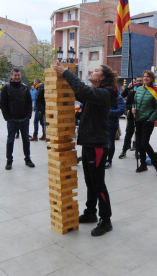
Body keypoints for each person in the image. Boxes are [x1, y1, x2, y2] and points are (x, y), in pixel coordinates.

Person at [53, 62, 117, 237]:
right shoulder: (96, 94)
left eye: (96, 71)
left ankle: (106, 220)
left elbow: (83, 90)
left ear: (102, 77)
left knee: (98, 184)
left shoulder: (105, 93)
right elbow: (80, 92)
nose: (92, 71)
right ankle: (90, 212)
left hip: (97, 145)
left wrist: (66, 72)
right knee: (90, 182)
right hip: (89, 142)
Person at [132, 70, 157, 176]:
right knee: (139, 144)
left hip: (148, 121)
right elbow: (135, 102)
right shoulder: (139, 89)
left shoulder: (156, 90)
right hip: (138, 120)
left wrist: (150, 119)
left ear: (152, 78)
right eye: (144, 76)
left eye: (148, 77)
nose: (146, 78)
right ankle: (143, 165)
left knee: (144, 143)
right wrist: (134, 108)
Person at [0, 68, 35, 170]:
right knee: (10, 140)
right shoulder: (6, 88)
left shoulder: (25, 88)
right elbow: (3, 104)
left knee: (26, 140)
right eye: (15, 75)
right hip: (12, 120)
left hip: (24, 119)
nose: (17, 77)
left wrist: (28, 115)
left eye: (18, 75)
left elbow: (29, 102)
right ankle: (9, 161)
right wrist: (7, 118)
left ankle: (27, 159)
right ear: (11, 76)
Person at [119, 76, 143, 159]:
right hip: (132, 116)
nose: (139, 82)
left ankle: (138, 151)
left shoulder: (146, 91)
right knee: (128, 134)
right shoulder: (132, 91)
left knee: (140, 135)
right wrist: (133, 107)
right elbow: (126, 103)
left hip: (142, 117)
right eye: (137, 81)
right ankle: (124, 150)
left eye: (140, 81)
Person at [105, 93, 125, 168]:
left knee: (110, 143)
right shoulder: (101, 93)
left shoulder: (118, 97)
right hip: (100, 123)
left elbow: (121, 111)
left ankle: (108, 160)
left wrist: (107, 111)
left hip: (111, 124)